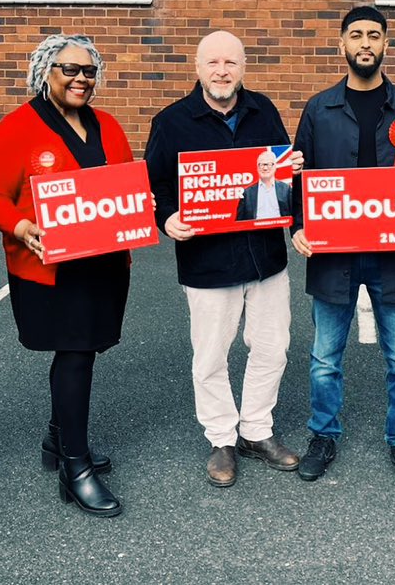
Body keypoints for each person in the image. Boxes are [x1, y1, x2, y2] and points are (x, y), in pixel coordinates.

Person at [0, 34, 132, 517]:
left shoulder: (107, 125)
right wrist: (22, 226)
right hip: (51, 268)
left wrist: (138, 205)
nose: (80, 79)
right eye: (69, 69)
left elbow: (124, 180)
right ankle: (75, 465)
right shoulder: (17, 128)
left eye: (89, 71)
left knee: (85, 351)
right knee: (75, 355)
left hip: (104, 264)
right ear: (46, 71)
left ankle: (56, 437)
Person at [146, 30, 301, 488]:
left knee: (272, 346)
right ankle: (221, 437)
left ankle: (257, 429)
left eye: (230, 63)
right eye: (213, 63)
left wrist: (292, 178)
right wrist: (167, 217)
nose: (221, 71)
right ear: (198, 68)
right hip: (208, 261)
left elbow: (282, 175)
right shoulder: (172, 121)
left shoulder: (264, 111)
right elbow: (153, 187)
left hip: (265, 256)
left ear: (243, 67)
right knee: (211, 356)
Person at [291, 6, 395, 487]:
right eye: (356, 35)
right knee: (324, 357)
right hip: (333, 253)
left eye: (375, 35)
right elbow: (299, 175)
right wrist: (297, 227)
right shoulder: (318, 108)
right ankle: (324, 434)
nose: (366, 43)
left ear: (386, 45)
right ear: (342, 45)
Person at [235, 149, 293, 221]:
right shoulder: (247, 193)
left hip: (280, 230)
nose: (265, 168)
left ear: (275, 166)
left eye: (269, 164)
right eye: (262, 164)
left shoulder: (286, 189)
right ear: (257, 167)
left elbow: (294, 214)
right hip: (255, 231)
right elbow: (239, 221)